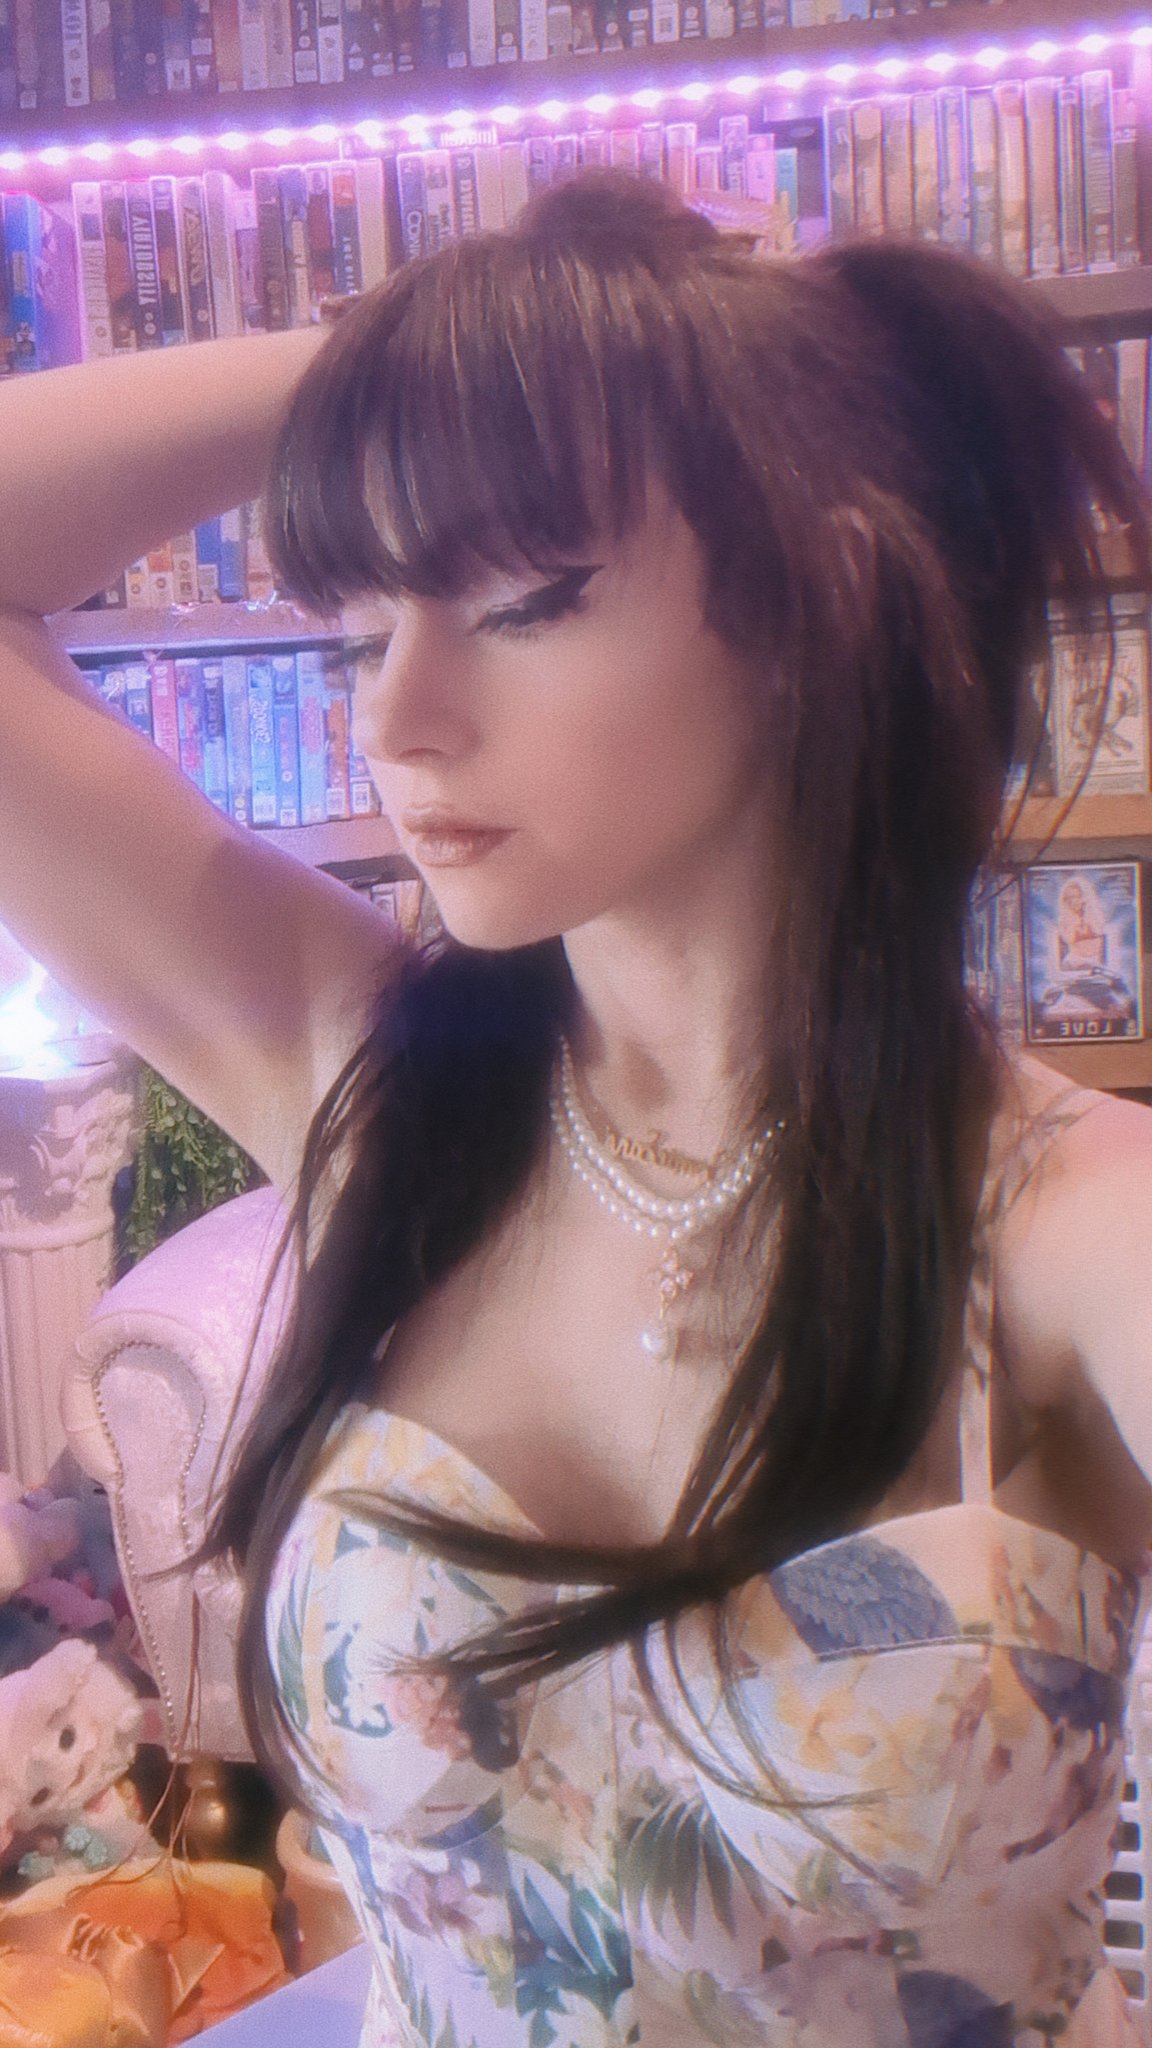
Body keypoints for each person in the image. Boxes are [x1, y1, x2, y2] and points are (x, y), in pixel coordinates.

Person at [1, 170, 1151, 2046]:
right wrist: (421, 370)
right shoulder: (372, 1087)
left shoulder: (1066, 1228)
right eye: (364, 625)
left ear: (810, 599)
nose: (399, 717)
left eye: (518, 597)